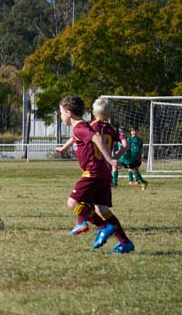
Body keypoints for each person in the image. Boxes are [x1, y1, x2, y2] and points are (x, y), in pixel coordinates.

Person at [56, 95, 135, 253]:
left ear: (69, 112)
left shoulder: (79, 127)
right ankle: (125, 242)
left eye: (61, 113)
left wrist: (111, 159)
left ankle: (103, 227)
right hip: (102, 172)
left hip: (93, 172)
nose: (61, 116)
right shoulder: (85, 125)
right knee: (102, 209)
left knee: (72, 203)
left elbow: (97, 138)